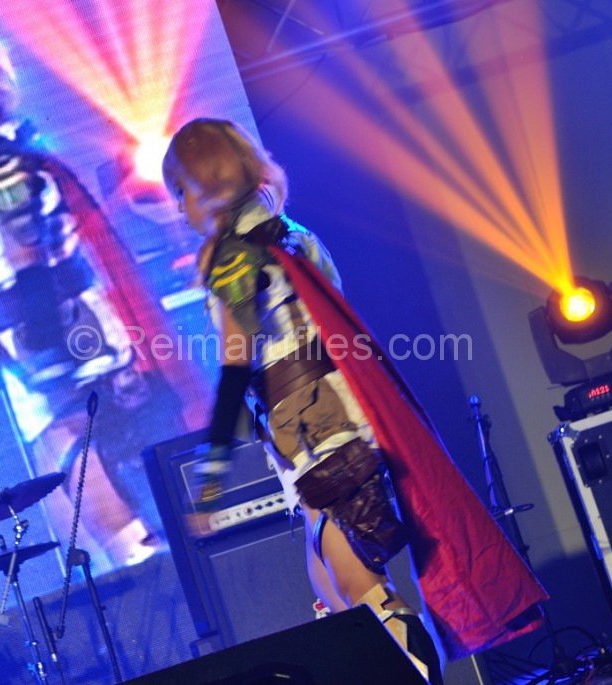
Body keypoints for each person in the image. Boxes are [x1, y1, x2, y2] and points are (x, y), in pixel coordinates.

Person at [162, 119, 549, 683]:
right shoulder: (288, 233)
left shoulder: (236, 257)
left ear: (202, 186)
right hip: (326, 425)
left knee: (363, 593)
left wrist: (211, 480)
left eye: (180, 189)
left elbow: (234, 365)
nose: (178, 206)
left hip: (320, 432)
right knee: (332, 587)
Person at [0, 10, 200, 567]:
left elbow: (29, 263)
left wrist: (50, 364)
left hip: (61, 337)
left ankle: (162, 568)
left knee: (95, 465)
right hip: (41, 340)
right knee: (79, 470)